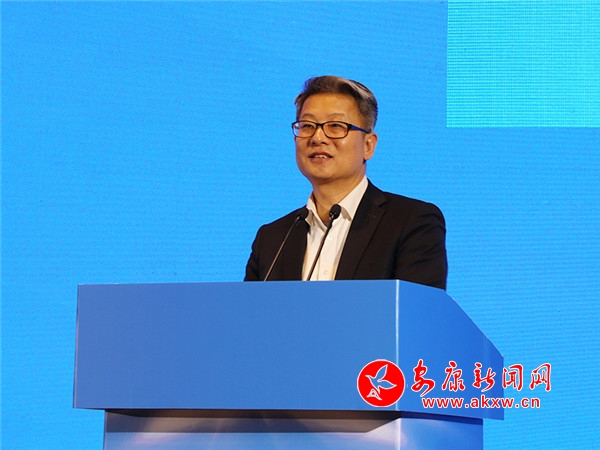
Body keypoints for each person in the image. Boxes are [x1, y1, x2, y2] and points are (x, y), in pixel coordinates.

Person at [244, 75, 447, 290]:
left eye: (335, 126)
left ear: (368, 145)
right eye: (307, 126)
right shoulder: (272, 239)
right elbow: (248, 311)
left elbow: (417, 310)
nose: (317, 138)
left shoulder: (411, 222)